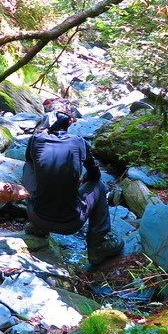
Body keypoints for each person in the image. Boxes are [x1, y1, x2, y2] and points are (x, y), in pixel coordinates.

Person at [22, 111, 124, 267]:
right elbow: (95, 175)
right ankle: (97, 245)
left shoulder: (36, 139)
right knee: (100, 186)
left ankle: (37, 227)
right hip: (71, 223)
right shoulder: (79, 142)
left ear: (46, 126)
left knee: (29, 165)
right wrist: (80, 180)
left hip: (36, 215)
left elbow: (30, 161)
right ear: (68, 126)